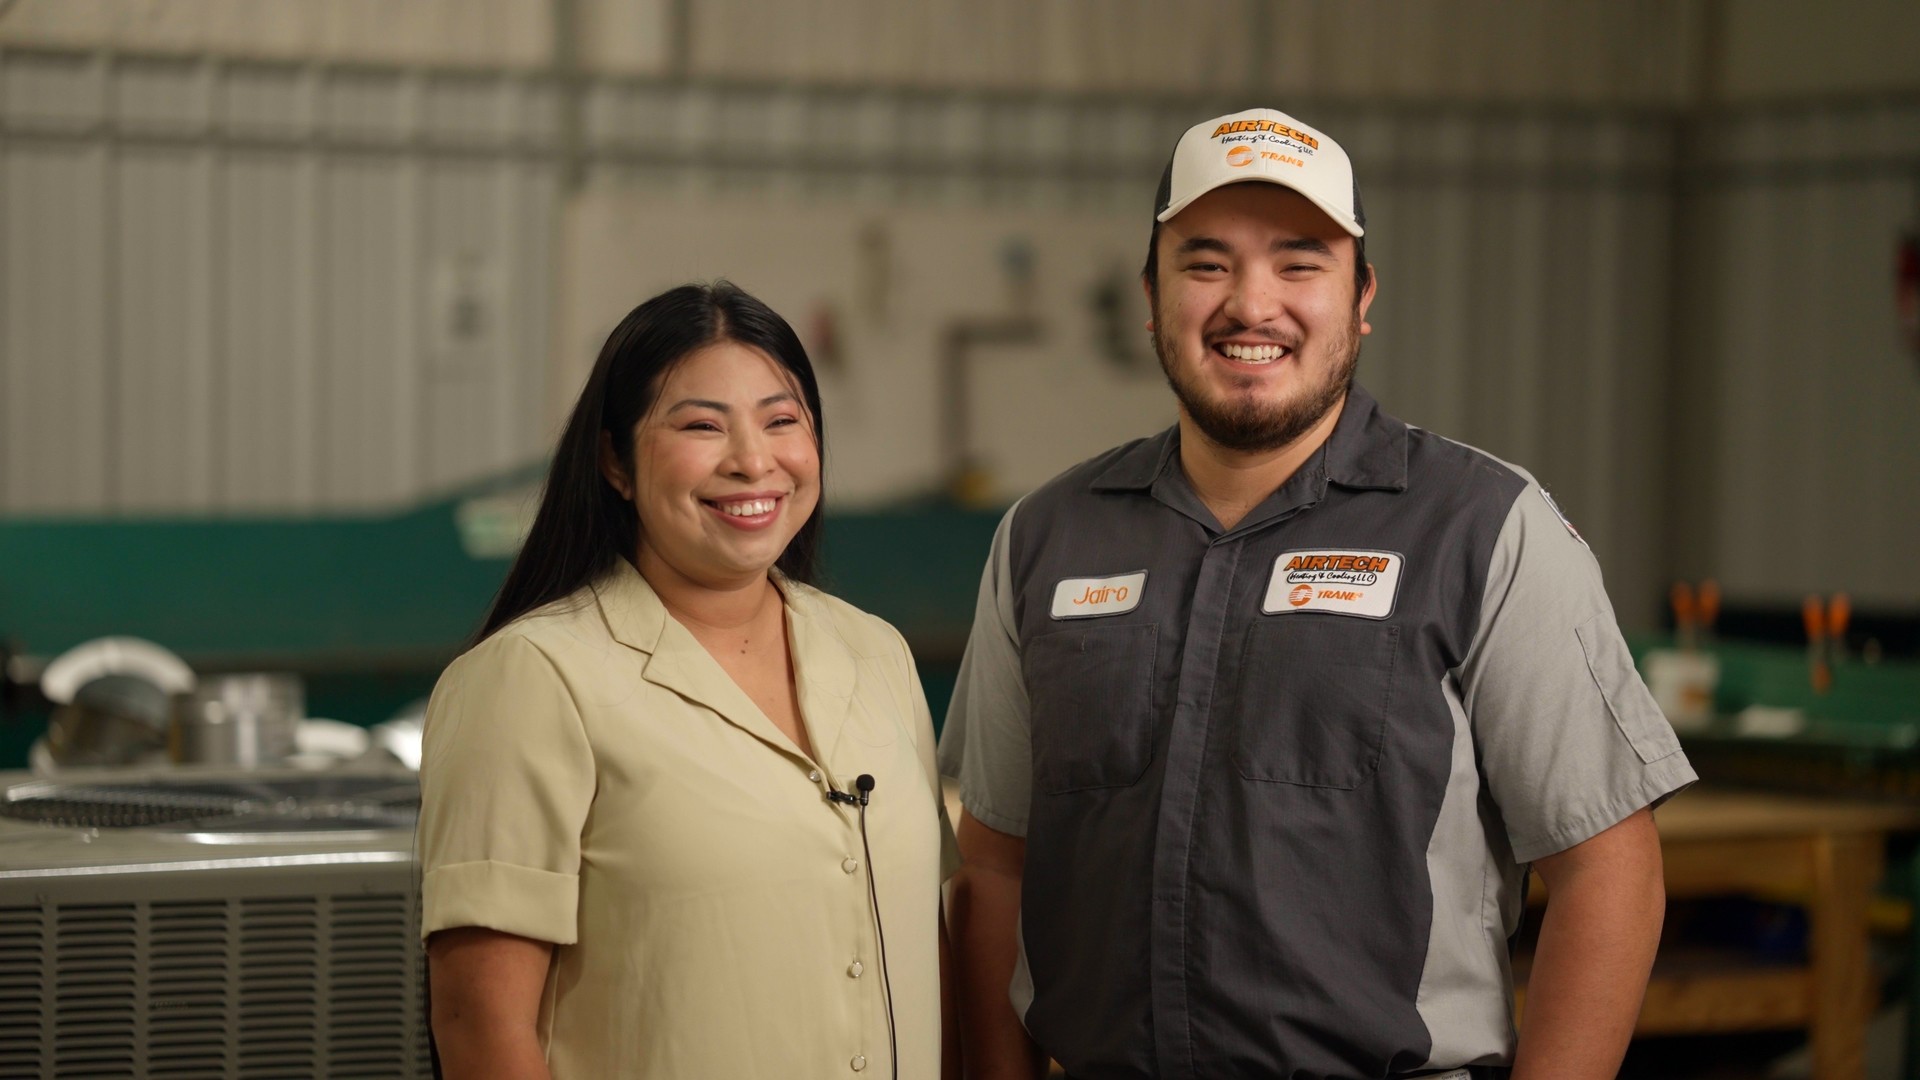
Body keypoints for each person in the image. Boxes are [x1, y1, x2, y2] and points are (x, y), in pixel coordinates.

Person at [938, 108, 1697, 1080]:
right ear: (1151, 294)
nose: (1251, 305)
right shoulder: (1046, 538)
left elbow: (1608, 870)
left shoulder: (1484, 528)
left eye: (1299, 264)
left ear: (1362, 295)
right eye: (1205, 263)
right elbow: (995, 866)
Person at [418, 282, 959, 1079]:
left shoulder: (875, 653)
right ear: (615, 461)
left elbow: (924, 951)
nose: (752, 460)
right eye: (703, 426)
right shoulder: (531, 680)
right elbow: (479, 1025)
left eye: (782, 421)